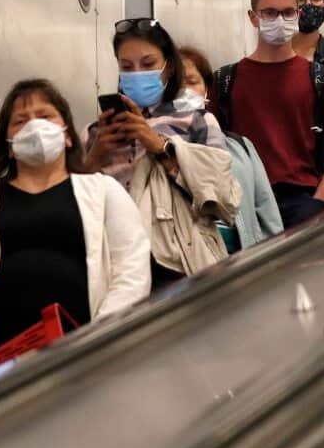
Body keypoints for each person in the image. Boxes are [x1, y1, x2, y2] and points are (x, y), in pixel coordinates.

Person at [0, 79, 150, 350]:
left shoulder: (104, 191)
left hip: (85, 356)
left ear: (68, 136)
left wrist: (96, 338)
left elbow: (132, 272)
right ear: (8, 145)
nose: (34, 126)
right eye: (20, 121)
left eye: (45, 116)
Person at [84, 19, 239, 288]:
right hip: (115, 262)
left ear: (169, 68)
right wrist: (96, 155)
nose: (137, 73)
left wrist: (159, 146)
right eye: (127, 66)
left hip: (177, 259)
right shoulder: (97, 131)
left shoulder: (197, 120)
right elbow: (75, 198)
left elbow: (224, 196)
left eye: (148, 64)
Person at [210, 0, 324, 228]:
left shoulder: (322, 79)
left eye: (287, 13)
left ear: (297, 14)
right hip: (244, 205)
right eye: (270, 13)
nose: (279, 20)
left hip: (302, 202)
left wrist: (317, 204)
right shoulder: (225, 80)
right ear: (253, 17)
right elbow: (212, 149)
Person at [180, 46, 283, 251]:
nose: (184, 91)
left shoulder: (240, 147)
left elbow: (268, 215)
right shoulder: (158, 150)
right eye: (175, 84)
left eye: (192, 82)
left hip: (244, 259)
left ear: (206, 90)